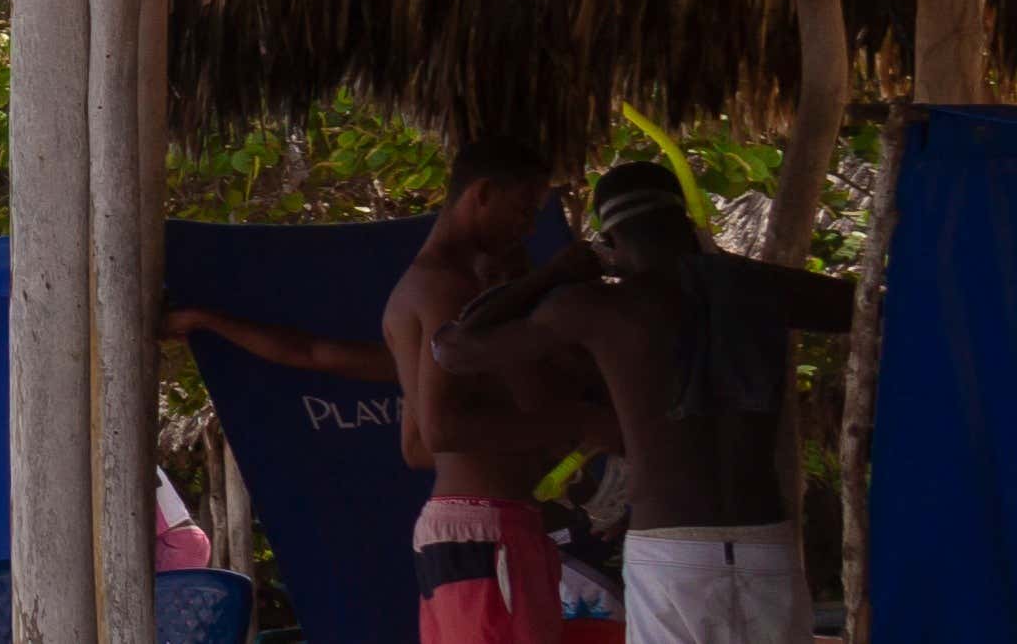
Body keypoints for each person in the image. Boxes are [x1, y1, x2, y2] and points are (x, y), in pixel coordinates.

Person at [163, 138, 598, 644]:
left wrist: (207, 320)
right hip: (485, 532)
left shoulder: (434, 292)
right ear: (482, 194)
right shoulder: (445, 289)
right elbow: (438, 432)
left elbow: (316, 355)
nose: (527, 227)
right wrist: (577, 423)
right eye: (523, 209)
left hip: (485, 530)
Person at [438, 161, 853, 644]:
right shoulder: (763, 288)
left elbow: (454, 348)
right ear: (686, 223)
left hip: (670, 552)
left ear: (611, 242)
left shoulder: (602, 308)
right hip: (767, 548)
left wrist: (553, 273)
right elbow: (877, 307)